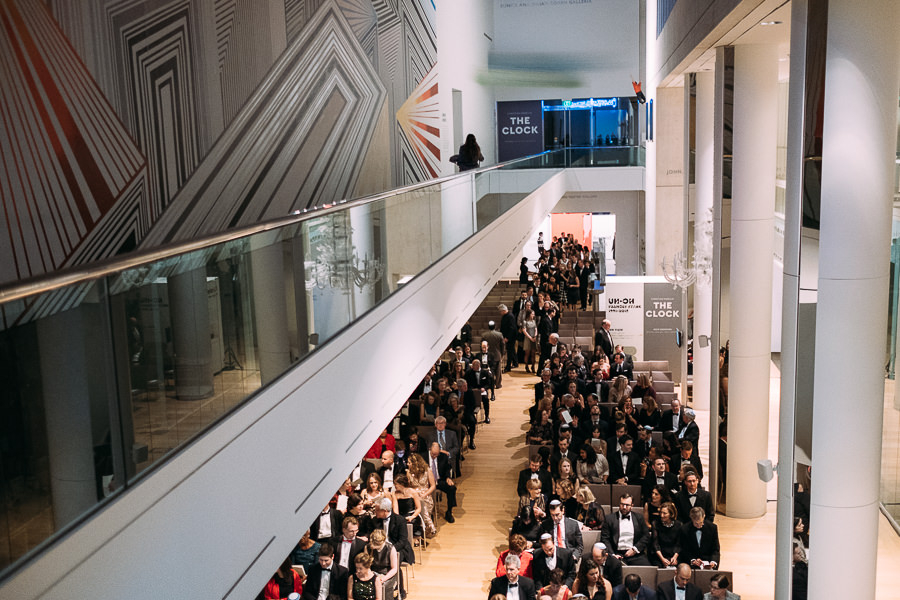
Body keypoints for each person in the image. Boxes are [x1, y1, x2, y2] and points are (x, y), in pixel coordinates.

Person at [601, 493, 651, 566]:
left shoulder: (639, 518)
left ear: (632, 506)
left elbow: (646, 536)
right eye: (622, 504)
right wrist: (612, 554)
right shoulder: (609, 519)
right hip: (616, 553)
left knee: (647, 569)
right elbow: (605, 539)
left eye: (627, 505)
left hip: (635, 554)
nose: (624, 507)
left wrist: (635, 549)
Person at [405, 452, 437, 537]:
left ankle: (427, 527)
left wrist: (425, 494)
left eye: (409, 462)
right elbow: (408, 487)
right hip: (414, 496)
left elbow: (433, 486)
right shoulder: (408, 472)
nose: (407, 464)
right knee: (418, 501)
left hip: (426, 496)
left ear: (415, 463)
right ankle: (429, 525)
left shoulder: (427, 471)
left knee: (422, 503)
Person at [427, 442, 458, 523]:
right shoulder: (423, 456)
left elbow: (447, 468)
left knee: (452, 488)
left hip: (439, 480)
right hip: (427, 482)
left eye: (436, 455)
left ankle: (449, 512)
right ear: (430, 450)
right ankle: (429, 514)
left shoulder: (443, 456)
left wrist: (448, 478)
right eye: (433, 454)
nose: (434, 456)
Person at [366, 530, 399, 599]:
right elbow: (366, 565)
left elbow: (394, 568)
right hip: (373, 573)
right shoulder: (368, 547)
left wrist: (383, 579)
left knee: (383, 586)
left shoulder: (390, 548)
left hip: (387, 574)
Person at [391, 474, 423, 541]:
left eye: (395, 484)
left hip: (412, 515)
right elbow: (396, 510)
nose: (394, 486)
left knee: (411, 524)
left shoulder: (412, 492)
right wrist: (400, 519)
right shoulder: (394, 494)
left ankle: (412, 540)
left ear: (401, 484)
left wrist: (412, 517)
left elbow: (419, 508)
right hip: (401, 516)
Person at [650, 502, 680, 567]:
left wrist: (675, 557)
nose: (661, 515)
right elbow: (655, 544)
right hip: (659, 555)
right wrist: (662, 559)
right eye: (661, 512)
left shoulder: (679, 525)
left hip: (673, 554)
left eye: (664, 513)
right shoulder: (655, 524)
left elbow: (679, 544)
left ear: (671, 514)